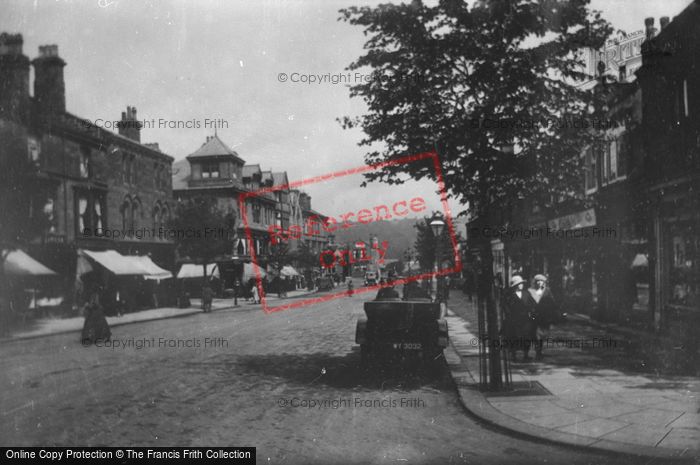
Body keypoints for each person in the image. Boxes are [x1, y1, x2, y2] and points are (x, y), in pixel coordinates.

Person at [501, 275, 537, 361]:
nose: (521, 285)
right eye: (519, 284)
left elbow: (532, 305)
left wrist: (531, 314)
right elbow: (505, 306)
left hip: (525, 319)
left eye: (522, 283)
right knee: (514, 337)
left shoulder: (526, 294)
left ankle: (526, 354)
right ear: (515, 285)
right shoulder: (510, 295)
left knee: (527, 337)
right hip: (514, 319)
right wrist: (509, 315)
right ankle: (513, 355)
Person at [528, 274, 559, 360]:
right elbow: (528, 303)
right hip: (534, 316)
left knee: (542, 335)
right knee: (535, 334)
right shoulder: (531, 291)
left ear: (544, 282)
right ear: (535, 282)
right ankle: (537, 351)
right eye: (538, 281)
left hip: (544, 316)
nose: (540, 283)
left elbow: (553, 303)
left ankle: (539, 350)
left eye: (542, 281)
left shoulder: (547, 291)